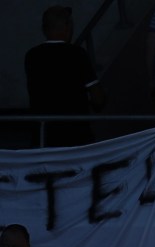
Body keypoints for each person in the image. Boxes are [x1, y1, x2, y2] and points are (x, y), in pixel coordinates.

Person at [24, 5, 105, 147]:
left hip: (44, 137)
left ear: (44, 29)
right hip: (76, 136)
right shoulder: (77, 55)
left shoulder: (32, 56)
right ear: (68, 28)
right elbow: (98, 98)